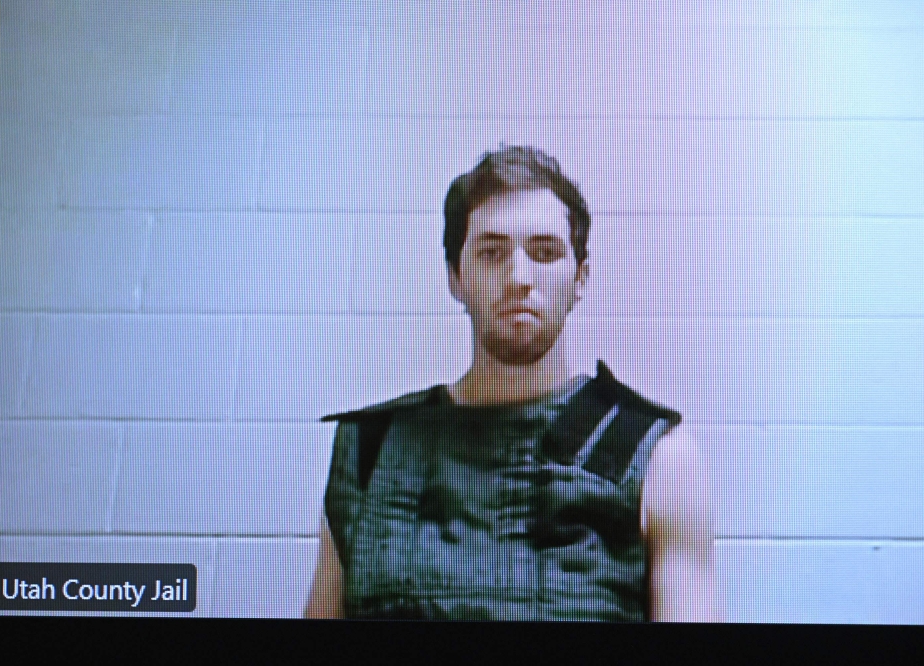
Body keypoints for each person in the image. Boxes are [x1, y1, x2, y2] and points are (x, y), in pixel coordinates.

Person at [305, 146, 716, 621]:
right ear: (456, 278)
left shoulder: (659, 455)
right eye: (491, 252)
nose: (519, 277)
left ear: (580, 279)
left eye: (545, 252)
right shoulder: (369, 447)